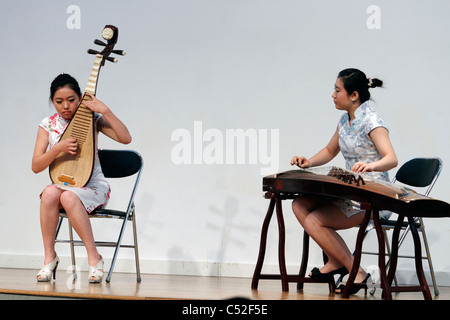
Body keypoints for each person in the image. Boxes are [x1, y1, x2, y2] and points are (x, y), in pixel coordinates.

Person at [290, 68, 398, 294]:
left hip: (374, 195)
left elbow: (391, 159)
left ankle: (356, 272)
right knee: (299, 204)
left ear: (354, 95)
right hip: (352, 190)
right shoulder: (344, 120)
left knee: (314, 220)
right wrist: (308, 162)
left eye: (337, 90)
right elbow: (330, 150)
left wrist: (371, 166)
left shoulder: (372, 121)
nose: (333, 95)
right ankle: (336, 261)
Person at [32, 73, 132, 283]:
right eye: (59, 101)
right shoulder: (48, 125)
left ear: (80, 98)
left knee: (68, 197)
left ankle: (94, 259)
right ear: (52, 101)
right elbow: (36, 166)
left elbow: (125, 138)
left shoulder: (92, 120)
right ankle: (50, 257)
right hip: (63, 184)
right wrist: (57, 149)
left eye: (71, 100)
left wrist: (104, 110)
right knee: (50, 192)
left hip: (93, 186)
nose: (65, 106)